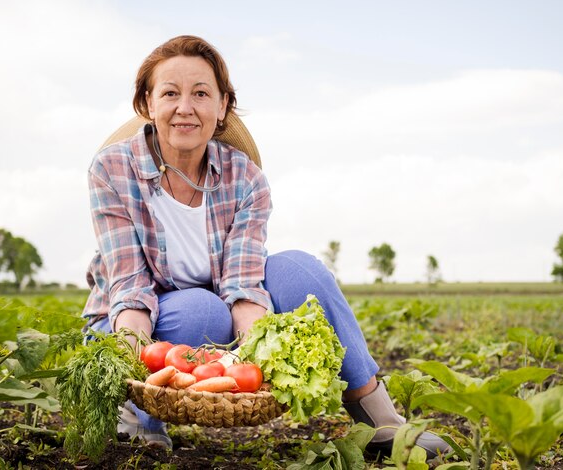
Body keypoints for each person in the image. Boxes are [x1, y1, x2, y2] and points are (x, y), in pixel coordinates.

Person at [83, 35, 450, 459]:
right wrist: (130, 375)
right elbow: (129, 288)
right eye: (170, 93)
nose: (185, 107)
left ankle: (380, 420)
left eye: (201, 93)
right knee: (203, 310)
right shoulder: (112, 169)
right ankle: (139, 418)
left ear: (222, 107)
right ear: (147, 105)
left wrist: (256, 356)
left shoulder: (245, 178)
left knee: (300, 270)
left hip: (218, 323)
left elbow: (243, 281)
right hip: (130, 326)